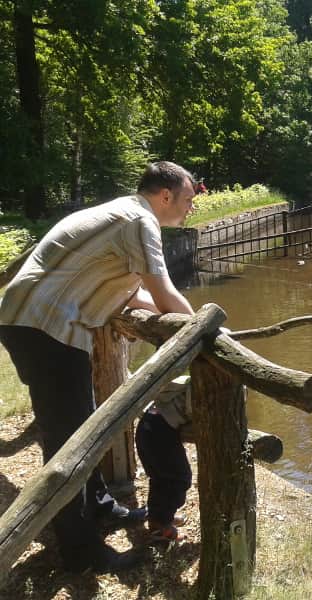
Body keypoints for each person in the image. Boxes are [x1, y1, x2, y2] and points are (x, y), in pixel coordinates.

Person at [0, 161, 197, 573]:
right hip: (44, 325)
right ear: (166, 195)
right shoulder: (140, 220)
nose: (191, 205)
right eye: (188, 197)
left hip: (37, 321)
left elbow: (138, 294)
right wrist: (203, 328)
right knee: (70, 444)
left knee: (81, 425)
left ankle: (102, 508)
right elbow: (163, 295)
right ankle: (80, 551)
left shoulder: (122, 213)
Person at [135, 375, 193, 544]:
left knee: (161, 479)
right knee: (178, 479)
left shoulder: (186, 381)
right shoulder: (206, 385)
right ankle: (162, 528)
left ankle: (158, 518)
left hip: (147, 425)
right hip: (159, 431)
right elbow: (197, 411)